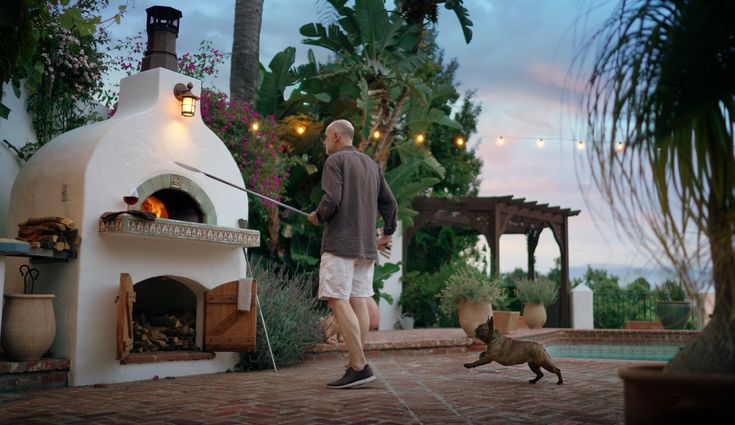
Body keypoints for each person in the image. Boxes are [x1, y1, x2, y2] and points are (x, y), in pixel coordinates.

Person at [308, 119, 397, 389]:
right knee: (358, 300)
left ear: (336, 136)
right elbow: (390, 203)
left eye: (325, 137)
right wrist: (387, 234)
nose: (324, 142)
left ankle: (358, 365)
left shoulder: (334, 161)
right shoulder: (372, 165)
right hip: (366, 247)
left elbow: (332, 200)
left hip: (340, 244)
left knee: (337, 299)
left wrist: (318, 216)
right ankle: (355, 363)